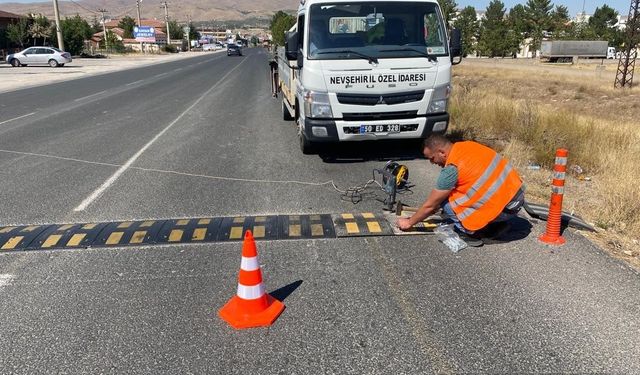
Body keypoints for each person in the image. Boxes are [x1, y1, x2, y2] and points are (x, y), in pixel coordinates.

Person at [397, 134, 525, 246]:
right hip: (516, 201)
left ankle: (470, 232)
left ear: (442, 152)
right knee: (455, 193)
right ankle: (494, 225)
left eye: (432, 158)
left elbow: (430, 206)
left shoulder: (452, 168)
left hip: (504, 210)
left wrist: (409, 222)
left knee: (445, 202)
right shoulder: (467, 146)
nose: (432, 163)